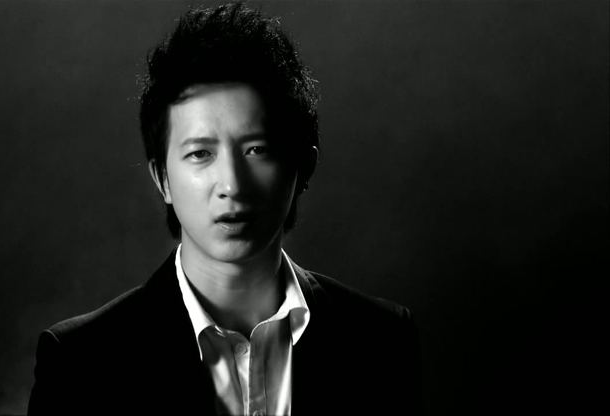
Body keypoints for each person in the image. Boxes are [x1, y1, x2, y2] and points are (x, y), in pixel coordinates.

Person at [28, 2, 421, 415]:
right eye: (200, 153)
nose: (232, 185)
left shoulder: (383, 339)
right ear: (162, 179)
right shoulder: (80, 361)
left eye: (257, 149)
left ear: (303, 166)